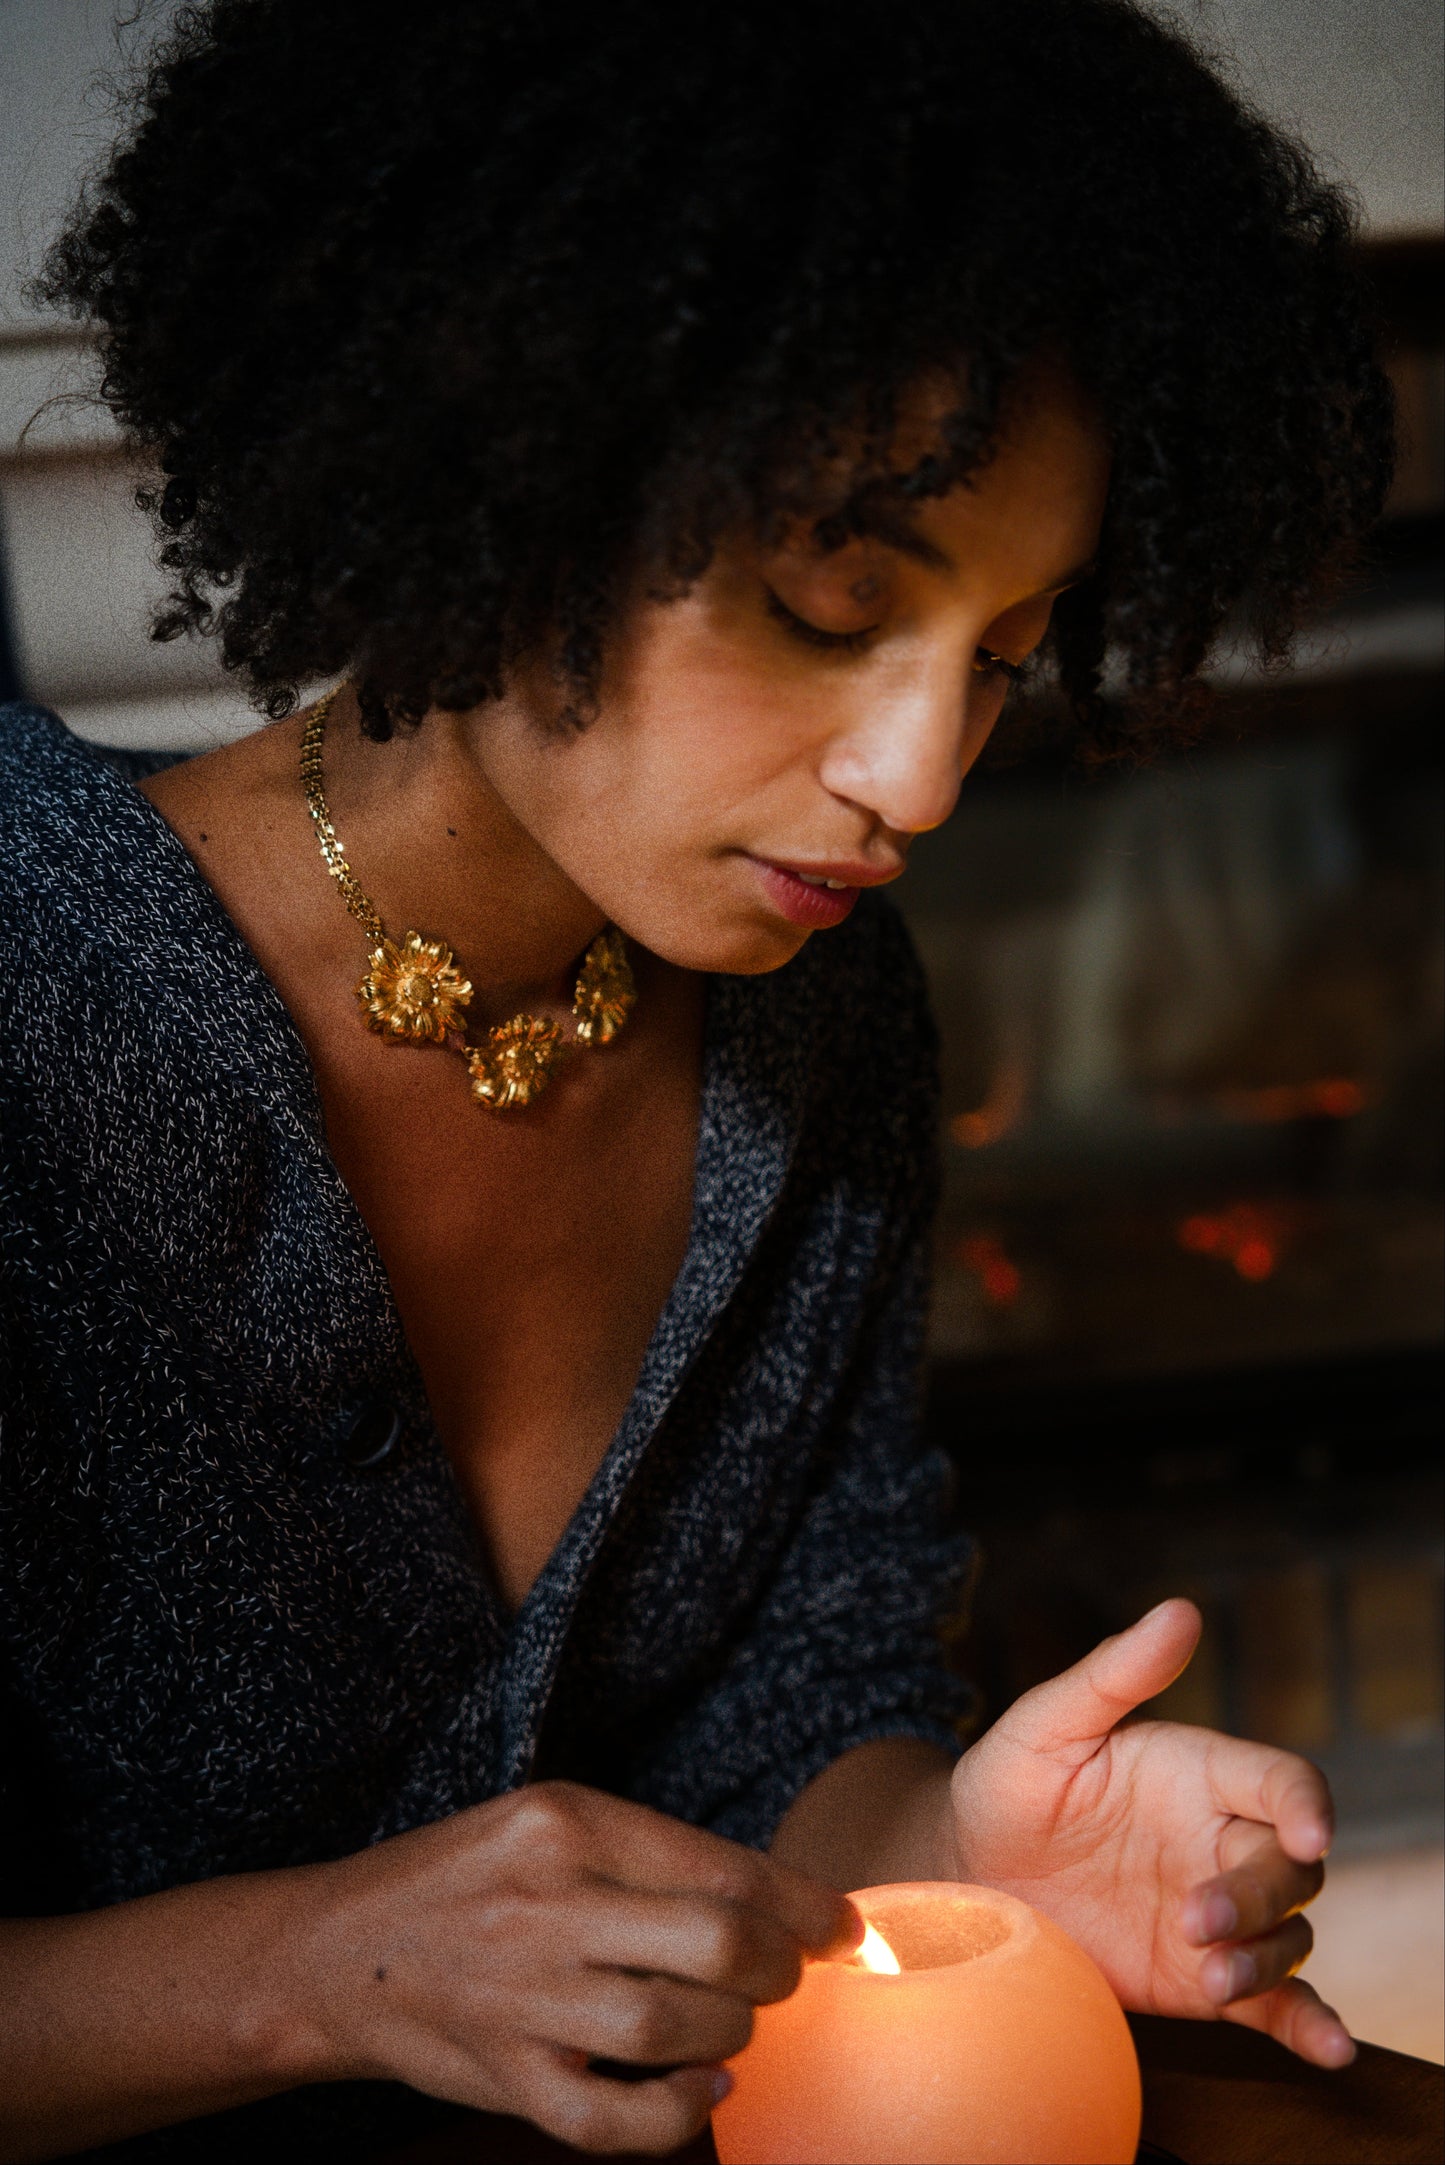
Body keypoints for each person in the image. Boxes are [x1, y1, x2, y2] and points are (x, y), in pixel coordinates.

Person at [0, 1, 1391, 2157]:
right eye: (836, 608)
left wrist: (969, 1852)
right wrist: (304, 1972)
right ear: (506, 471)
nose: (922, 775)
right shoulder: (25, 1006)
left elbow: (789, 1733)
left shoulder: (823, 1025)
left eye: (1005, 654)